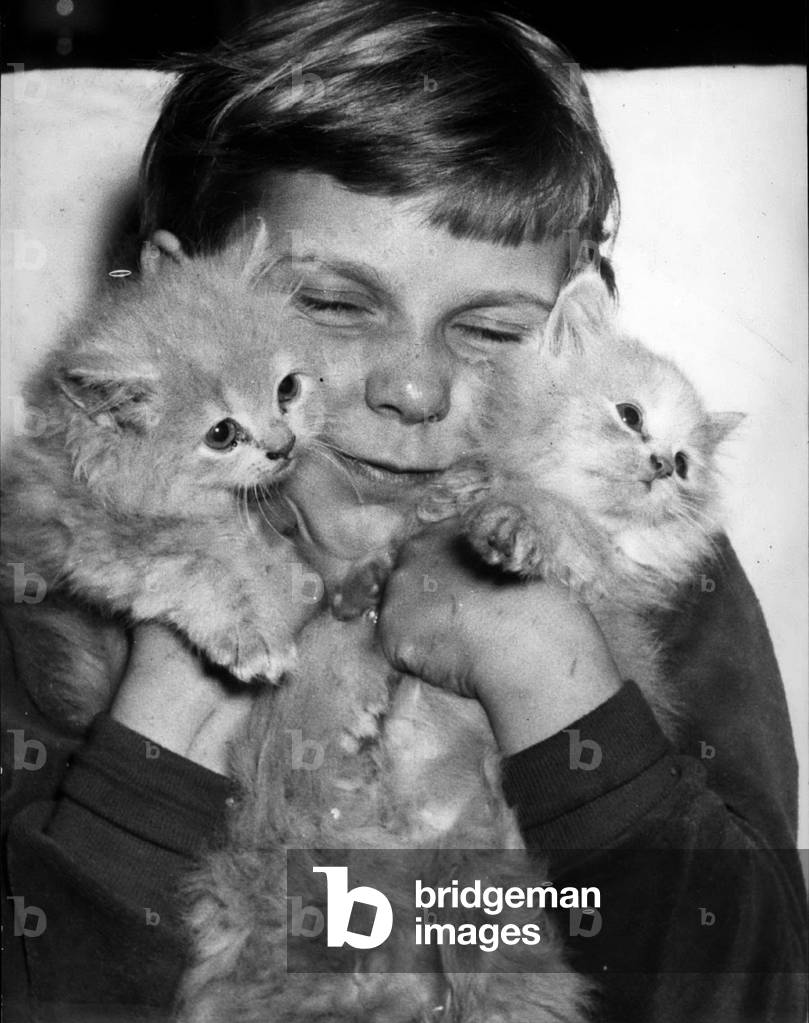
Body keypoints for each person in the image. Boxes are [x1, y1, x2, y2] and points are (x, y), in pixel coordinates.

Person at [2, 2, 806, 1021]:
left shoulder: (648, 555)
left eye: (489, 327)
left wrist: (544, 668)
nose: (415, 391)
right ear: (175, 306)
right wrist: (164, 715)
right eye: (333, 305)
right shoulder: (52, 575)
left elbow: (759, 990)